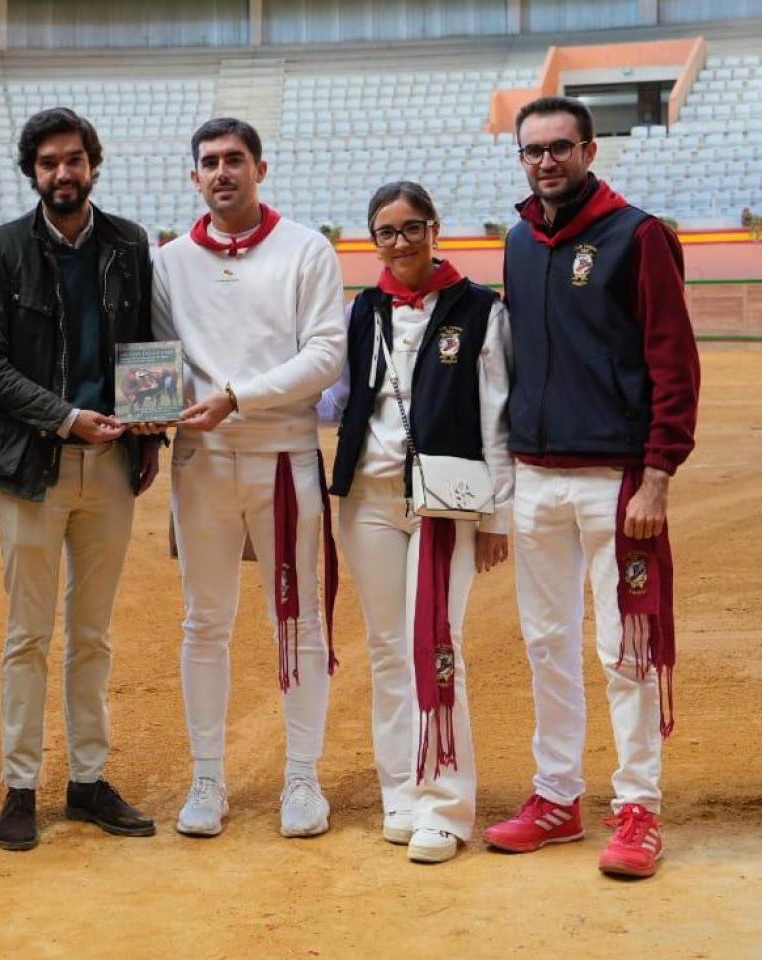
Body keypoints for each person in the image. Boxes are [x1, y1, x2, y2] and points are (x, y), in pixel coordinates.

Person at [482, 96, 700, 879]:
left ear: (589, 151)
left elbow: (674, 362)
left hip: (617, 479)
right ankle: (557, 797)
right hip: (536, 476)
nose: (546, 161)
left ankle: (639, 805)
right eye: (533, 150)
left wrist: (658, 475)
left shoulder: (638, 236)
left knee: (626, 648)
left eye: (560, 147)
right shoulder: (518, 241)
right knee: (546, 644)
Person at [0, 107, 161, 852]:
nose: (63, 173)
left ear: (92, 165)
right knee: (27, 634)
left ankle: (87, 780)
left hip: (110, 465)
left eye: (74, 159)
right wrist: (65, 417)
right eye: (49, 163)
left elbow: (146, 345)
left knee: (92, 633)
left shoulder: (128, 243)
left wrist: (149, 428)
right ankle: (20, 785)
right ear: (32, 172)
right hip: (33, 465)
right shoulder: (1, 248)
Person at [149, 117, 346, 839]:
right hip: (200, 460)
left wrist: (238, 397)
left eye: (235, 159)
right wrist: (150, 410)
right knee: (204, 621)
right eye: (210, 162)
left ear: (260, 168)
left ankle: (303, 777)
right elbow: (159, 355)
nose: (222, 172)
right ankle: (207, 777)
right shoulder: (170, 261)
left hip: (285, 454)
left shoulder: (307, 249)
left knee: (297, 618)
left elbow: (326, 355)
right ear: (193, 176)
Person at [321, 182, 511, 864]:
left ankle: (446, 802)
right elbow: (338, 398)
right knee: (385, 647)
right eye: (386, 231)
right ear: (373, 240)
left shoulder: (480, 309)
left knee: (435, 642)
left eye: (410, 228)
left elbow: (496, 414)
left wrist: (497, 512)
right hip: (367, 500)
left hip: (444, 501)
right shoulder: (363, 309)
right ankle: (400, 789)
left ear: (434, 229)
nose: (399, 242)